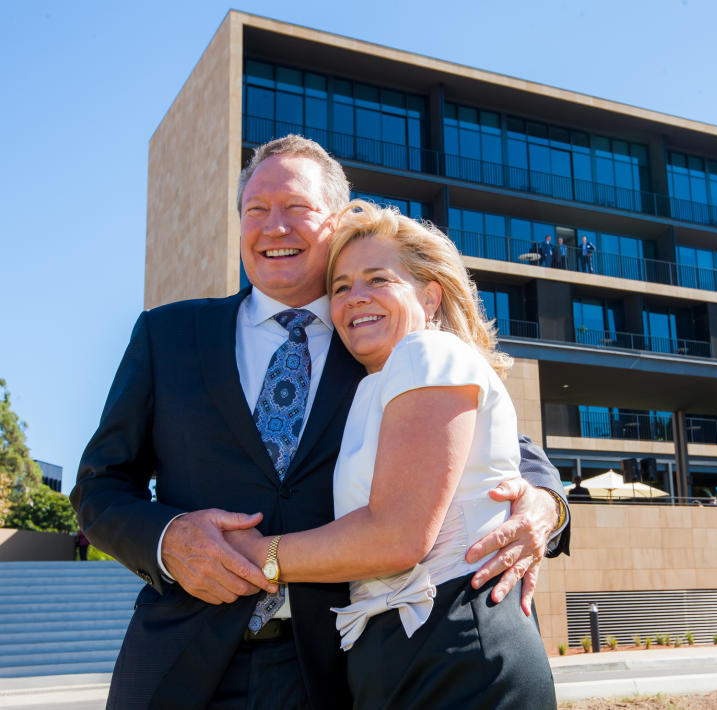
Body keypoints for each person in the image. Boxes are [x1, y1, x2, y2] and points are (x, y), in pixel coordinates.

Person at [71, 135, 569, 710]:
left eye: (296, 208)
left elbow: (500, 441)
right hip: (178, 664)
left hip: (335, 672)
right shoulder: (167, 335)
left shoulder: (381, 337)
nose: (274, 226)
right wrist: (168, 541)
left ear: (334, 224)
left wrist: (546, 504)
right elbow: (100, 485)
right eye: (255, 210)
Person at [227, 201, 557, 708]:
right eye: (340, 287)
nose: (355, 298)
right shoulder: (378, 385)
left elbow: (398, 536)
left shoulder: (426, 352)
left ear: (430, 296)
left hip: (455, 643)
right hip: (400, 648)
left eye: (377, 279)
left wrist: (260, 555)